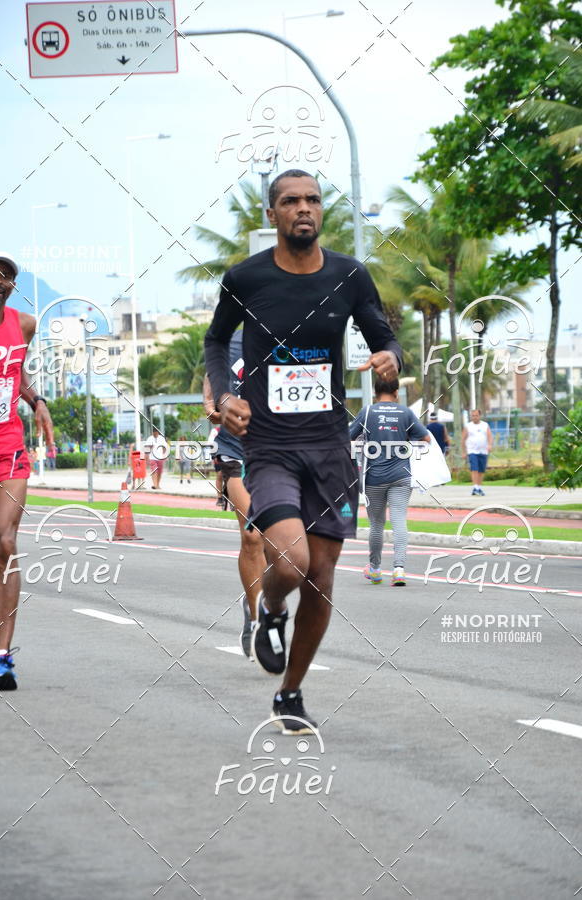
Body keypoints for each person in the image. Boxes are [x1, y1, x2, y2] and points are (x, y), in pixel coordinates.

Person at [204, 169, 402, 734]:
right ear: (272, 215)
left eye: (312, 199)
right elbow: (217, 341)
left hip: (330, 447)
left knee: (322, 578)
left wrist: (391, 356)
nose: (304, 208)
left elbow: (381, 335)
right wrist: (225, 395)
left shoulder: (349, 275)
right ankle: (268, 612)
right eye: (291, 201)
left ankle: (290, 693)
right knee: (291, 559)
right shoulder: (246, 277)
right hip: (269, 444)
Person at [0, 251, 54, 690]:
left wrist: (36, 400)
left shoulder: (23, 325)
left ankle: (2, 657)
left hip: (5, 447)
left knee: (5, 545)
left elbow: (15, 374)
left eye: (6, 276)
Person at [203, 327, 267, 658]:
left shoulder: (295, 336)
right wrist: (210, 400)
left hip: (279, 449)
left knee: (282, 545)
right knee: (253, 535)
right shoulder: (231, 338)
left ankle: (258, 598)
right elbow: (213, 374)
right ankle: (258, 619)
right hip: (234, 448)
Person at [350, 378, 430, 586]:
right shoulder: (406, 413)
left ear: (376, 393)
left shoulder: (367, 413)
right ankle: (399, 570)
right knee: (399, 520)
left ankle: (375, 570)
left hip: (373, 478)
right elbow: (425, 439)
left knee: (376, 524)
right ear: (396, 392)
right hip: (401, 476)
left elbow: (348, 438)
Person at [462, 409, 493, 496]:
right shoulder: (468, 426)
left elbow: (490, 436)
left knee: (481, 470)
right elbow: (463, 439)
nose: (474, 417)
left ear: (479, 416)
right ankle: (475, 487)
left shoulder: (485, 425)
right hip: (472, 451)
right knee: (474, 468)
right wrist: (464, 452)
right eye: (473, 416)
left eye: (476, 415)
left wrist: (490, 445)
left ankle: (478, 488)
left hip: (483, 451)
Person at [144, 425, 168, 490]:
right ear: (152, 433)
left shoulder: (162, 438)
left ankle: (158, 485)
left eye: (156, 432)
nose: (155, 434)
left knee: (159, 472)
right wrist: (146, 459)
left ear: (158, 432)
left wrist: (165, 456)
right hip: (152, 458)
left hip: (160, 458)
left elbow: (165, 447)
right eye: (153, 432)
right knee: (154, 471)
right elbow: (146, 449)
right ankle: (154, 485)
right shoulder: (149, 439)